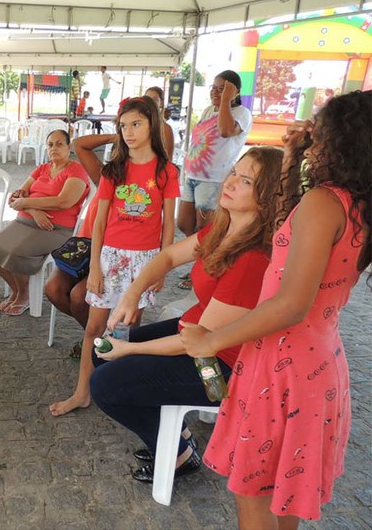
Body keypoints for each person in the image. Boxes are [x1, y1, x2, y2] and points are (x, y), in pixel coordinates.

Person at [180, 90, 371, 526]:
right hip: (317, 363)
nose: (315, 144)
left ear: (343, 141)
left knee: (256, 498)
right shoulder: (355, 204)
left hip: (283, 364)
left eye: (321, 136)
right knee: (281, 495)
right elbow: (287, 221)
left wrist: (211, 339)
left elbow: (289, 305)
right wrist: (293, 156)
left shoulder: (325, 201)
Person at [89, 146, 283, 485]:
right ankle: (170, 435)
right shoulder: (224, 230)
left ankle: (178, 453)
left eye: (246, 180)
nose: (231, 182)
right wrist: (131, 296)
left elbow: (200, 341)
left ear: (267, 198)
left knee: (104, 383)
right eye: (234, 172)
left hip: (219, 372)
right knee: (105, 355)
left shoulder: (252, 258)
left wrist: (130, 350)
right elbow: (167, 257)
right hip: (194, 338)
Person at [50, 97, 179, 417]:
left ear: (153, 125)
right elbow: (101, 223)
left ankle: (118, 389)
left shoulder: (166, 171)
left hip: (146, 261)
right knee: (94, 328)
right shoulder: (114, 170)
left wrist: (163, 265)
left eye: (137, 124)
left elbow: (169, 223)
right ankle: (82, 392)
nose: (129, 132)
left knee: (125, 331)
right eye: (124, 126)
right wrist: (95, 267)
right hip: (111, 258)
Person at [0, 129, 89, 316]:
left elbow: (64, 201)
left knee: (16, 252)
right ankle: (17, 290)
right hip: (26, 221)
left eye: (59, 144)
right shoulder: (41, 168)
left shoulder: (76, 170)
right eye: (50, 145)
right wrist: (33, 210)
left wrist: (26, 203)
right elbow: (19, 196)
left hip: (56, 229)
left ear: (68, 147)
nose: (54, 148)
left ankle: (25, 294)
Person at [44, 133, 115, 357]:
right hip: (83, 250)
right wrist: (119, 135)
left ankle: (96, 341)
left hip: (110, 255)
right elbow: (80, 144)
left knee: (78, 296)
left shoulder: (142, 188)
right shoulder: (105, 177)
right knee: (53, 289)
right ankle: (98, 335)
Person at [178, 70, 253, 238]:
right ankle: (197, 255)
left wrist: (226, 100)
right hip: (193, 175)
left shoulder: (242, 113)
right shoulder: (208, 110)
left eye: (222, 89)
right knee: (184, 223)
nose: (216, 92)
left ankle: (205, 260)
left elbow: (225, 131)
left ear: (235, 92)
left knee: (205, 229)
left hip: (213, 179)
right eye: (214, 87)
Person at [144, 86, 175, 161]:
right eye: (147, 99)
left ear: (161, 103)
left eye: (154, 99)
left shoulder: (165, 129)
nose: (150, 102)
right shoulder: (139, 125)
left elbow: (168, 160)